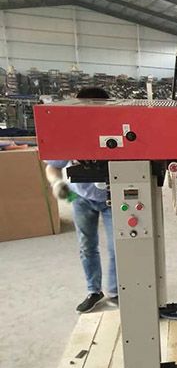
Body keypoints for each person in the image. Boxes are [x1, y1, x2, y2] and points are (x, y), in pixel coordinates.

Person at [45, 87, 117, 313]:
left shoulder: (116, 130)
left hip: (113, 198)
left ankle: (116, 291)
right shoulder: (71, 134)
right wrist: (57, 184)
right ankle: (93, 291)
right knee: (87, 245)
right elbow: (52, 167)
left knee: (119, 245)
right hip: (80, 196)